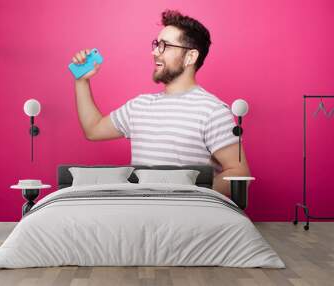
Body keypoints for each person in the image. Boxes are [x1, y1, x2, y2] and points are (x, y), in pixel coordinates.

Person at [72, 10, 251, 196]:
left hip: (185, 218)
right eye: (157, 44)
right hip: (142, 216)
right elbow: (93, 130)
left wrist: (186, 194)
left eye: (164, 46)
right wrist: (81, 80)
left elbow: (239, 175)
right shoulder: (139, 106)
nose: (154, 52)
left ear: (190, 57)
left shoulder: (213, 111)